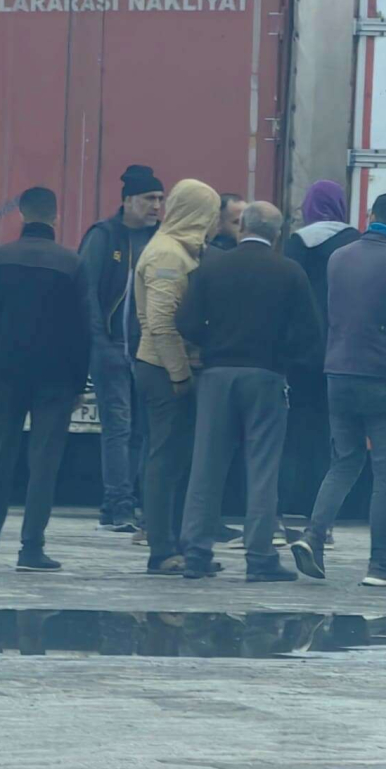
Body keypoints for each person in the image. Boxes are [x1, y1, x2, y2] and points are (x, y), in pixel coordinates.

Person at [176, 202, 321, 583]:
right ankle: (259, 557)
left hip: (216, 375)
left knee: (206, 466)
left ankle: (196, 553)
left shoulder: (211, 267)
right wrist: (283, 358)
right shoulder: (289, 272)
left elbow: (186, 321)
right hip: (266, 376)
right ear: (278, 233)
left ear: (241, 226)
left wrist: (211, 343)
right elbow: (310, 333)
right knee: (262, 469)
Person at [291, 192, 386, 588]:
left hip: (336, 373)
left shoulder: (338, 258)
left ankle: (314, 537)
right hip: (381, 375)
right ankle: (381, 563)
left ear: (370, 216)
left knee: (344, 462)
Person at [0, 187, 89, 571]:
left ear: (21, 215)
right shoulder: (72, 264)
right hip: (56, 380)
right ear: (56, 217)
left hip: (6, 376)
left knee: (0, 456)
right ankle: (31, 549)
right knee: (44, 463)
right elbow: (82, 330)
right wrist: (79, 384)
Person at [133, 178, 220, 575]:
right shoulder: (167, 255)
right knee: (165, 460)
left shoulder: (182, 250)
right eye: (211, 214)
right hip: (162, 370)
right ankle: (162, 549)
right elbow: (161, 323)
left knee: (180, 460)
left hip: (172, 367)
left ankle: (184, 546)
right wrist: (181, 375)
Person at [77, 164, 163, 534]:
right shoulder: (104, 236)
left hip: (148, 351)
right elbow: (86, 292)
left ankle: (128, 504)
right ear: (128, 200)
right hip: (111, 348)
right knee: (119, 428)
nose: (156, 206)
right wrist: (99, 342)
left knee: (144, 431)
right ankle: (119, 506)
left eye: (160, 199)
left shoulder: (160, 240)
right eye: (149, 198)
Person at [282, 179, 360, 524]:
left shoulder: (297, 243)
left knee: (297, 430)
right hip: (341, 353)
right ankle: (322, 511)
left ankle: (291, 503)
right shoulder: (355, 242)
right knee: (334, 434)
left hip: (302, 354)